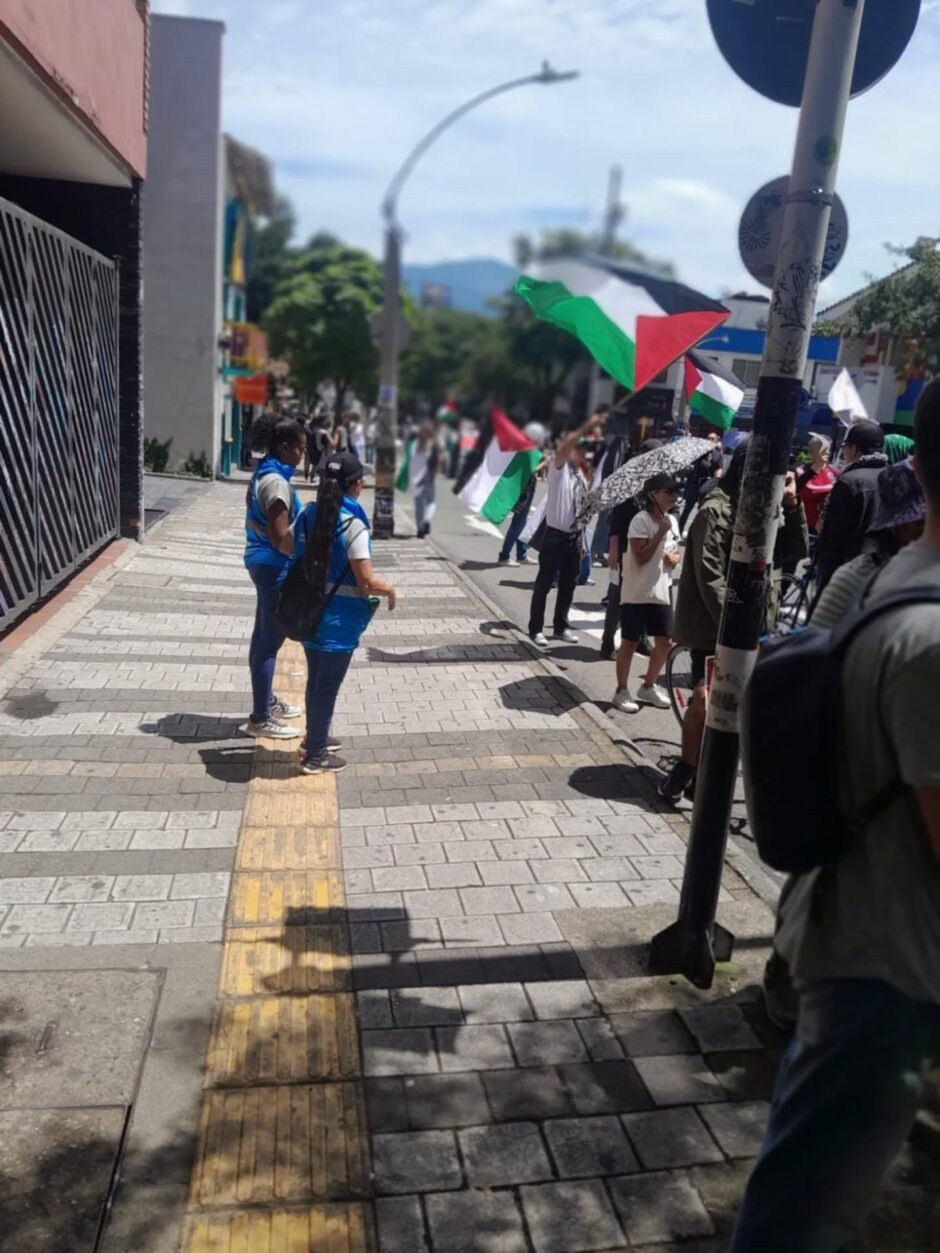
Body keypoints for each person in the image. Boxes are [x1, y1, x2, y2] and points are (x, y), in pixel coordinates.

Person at [730, 379, 940, 1253]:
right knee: (799, 1217)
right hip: (881, 970)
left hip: (866, 939)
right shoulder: (930, 639)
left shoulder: (895, 581)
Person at [763, 456, 930, 1031]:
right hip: (850, 753)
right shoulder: (880, 584)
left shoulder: (864, 573)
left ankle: (786, 975)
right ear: (905, 525)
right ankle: (787, 981)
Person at [659, 441, 807, 801]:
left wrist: (792, 505)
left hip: (757, 622)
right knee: (703, 696)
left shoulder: (769, 507)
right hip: (715, 625)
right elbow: (710, 576)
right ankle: (686, 766)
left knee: (747, 702)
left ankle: (718, 770)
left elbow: (797, 550)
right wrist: (736, 628)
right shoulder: (715, 510)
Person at [288, 453, 397, 774]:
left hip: (308, 614)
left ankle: (314, 738)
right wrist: (390, 589)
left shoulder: (308, 513)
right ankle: (315, 755)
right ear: (357, 485)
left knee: (316, 682)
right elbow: (366, 582)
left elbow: (287, 546)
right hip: (339, 624)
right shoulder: (353, 525)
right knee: (326, 688)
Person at [243, 413, 306, 739]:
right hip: (273, 566)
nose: (303, 454)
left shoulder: (265, 473)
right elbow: (281, 538)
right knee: (270, 642)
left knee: (262, 638)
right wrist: (309, 552)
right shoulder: (276, 483)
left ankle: (265, 700)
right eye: (300, 448)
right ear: (284, 447)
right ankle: (261, 718)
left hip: (262, 563)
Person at [528, 411, 605, 648]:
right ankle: (535, 628)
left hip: (574, 537)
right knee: (544, 584)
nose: (581, 453)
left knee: (568, 586)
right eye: (577, 449)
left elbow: (580, 508)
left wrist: (581, 539)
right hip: (554, 536)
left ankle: (560, 626)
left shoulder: (579, 474)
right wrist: (587, 425)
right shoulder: (558, 468)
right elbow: (564, 448)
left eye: (583, 450)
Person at [612, 473, 681, 713]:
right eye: (668, 492)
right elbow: (640, 557)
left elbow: (674, 550)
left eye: (675, 492)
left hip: (662, 589)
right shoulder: (639, 521)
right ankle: (621, 690)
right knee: (630, 642)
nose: (674, 496)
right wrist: (660, 533)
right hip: (638, 590)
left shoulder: (672, 520)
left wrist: (675, 557)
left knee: (665, 642)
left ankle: (648, 685)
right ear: (653, 494)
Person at [600, 439, 663, 660]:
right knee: (617, 597)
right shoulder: (629, 480)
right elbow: (617, 520)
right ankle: (607, 642)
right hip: (626, 548)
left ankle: (641, 639)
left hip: (647, 546)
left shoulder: (658, 482)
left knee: (644, 595)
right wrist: (613, 549)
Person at [814, 419, 888, 590]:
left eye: (845, 446)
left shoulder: (850, 481)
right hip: (880, 572)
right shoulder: (893, 477)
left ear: (854, 449)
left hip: (846, 574)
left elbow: (832, 534)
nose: (843, 452)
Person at [679, 430, 722, 534]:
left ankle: (693, 535)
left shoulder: (718, 456)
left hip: (706, 488)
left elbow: (719, 469)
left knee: (701, 513)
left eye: (712, 439)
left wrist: (717, 479)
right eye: (708, 438)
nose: (709, 440)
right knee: (686, 510)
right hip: (694, 485)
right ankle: (679, 531)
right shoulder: (700, 451)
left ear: (716, 441)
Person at [796, 432, 838, 534]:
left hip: (825, 526)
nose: (826, 452)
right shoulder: (801, 471)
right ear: (811, 451)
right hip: (804, 525)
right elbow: (802, 490)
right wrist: (816, 467)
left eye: (826, 449)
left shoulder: (834, 472)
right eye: (817, 449)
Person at [498, 472, 538, 566]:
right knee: (518, 523)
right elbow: (531, 467)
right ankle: (504, 556)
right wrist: (544, 464)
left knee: (522, 523)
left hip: (527, 484)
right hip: (524, 488)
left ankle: (521, 555)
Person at [410, 421, 439, 538]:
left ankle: (419, 529)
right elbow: (434, 463)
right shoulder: (433, 445)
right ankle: (426, 520)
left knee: (419, 505)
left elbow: (410, 461)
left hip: (415, 479)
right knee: (431, 502)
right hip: (428, 479)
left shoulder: (415, 445)